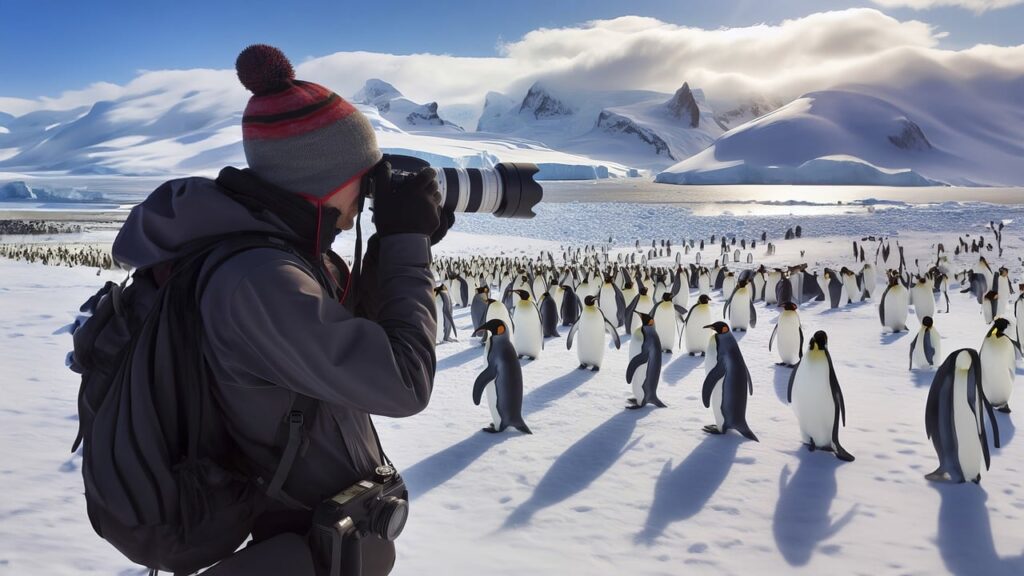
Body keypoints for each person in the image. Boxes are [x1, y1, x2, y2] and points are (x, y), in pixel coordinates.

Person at [111, 44, 450, 575]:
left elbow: (342, 334)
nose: (368, 194)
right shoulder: (259, 278)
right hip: (289, 539)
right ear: (328, 180)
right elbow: (403, 382)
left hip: (314, 527)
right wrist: (408, 240)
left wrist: (391, 249)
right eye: (364, 177)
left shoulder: (283, 252)